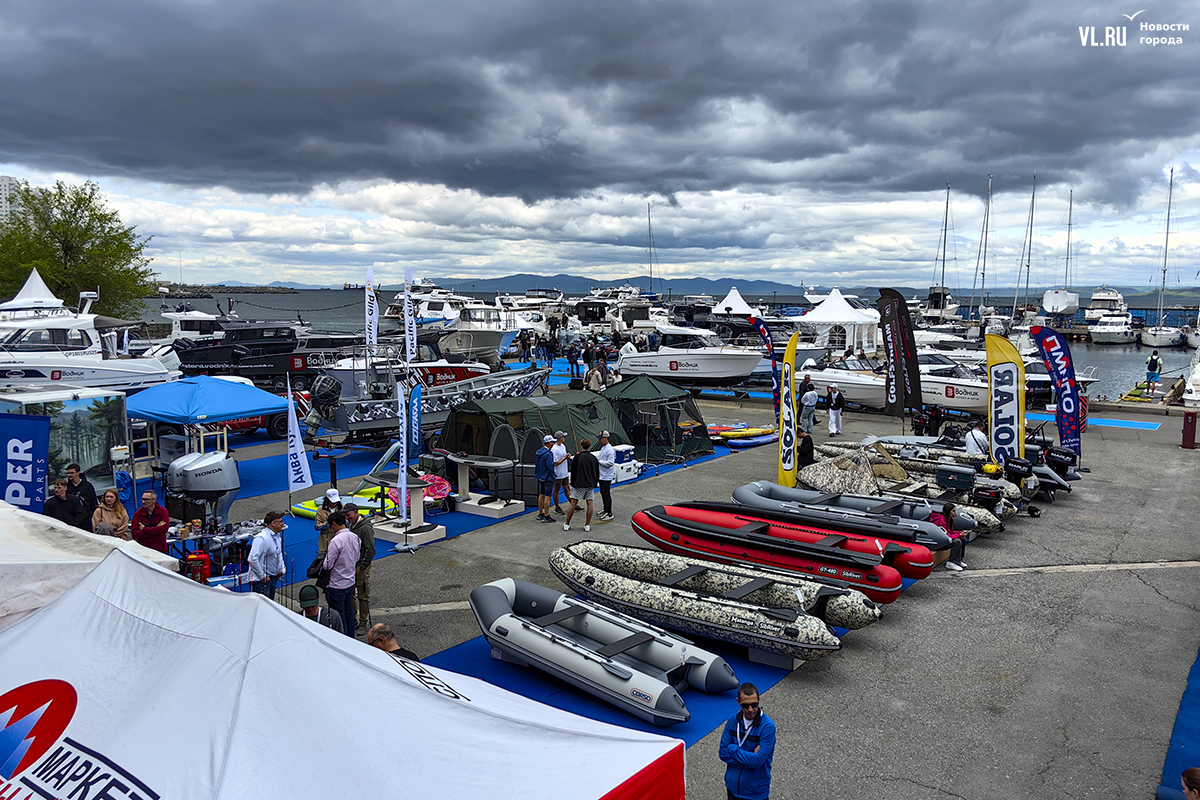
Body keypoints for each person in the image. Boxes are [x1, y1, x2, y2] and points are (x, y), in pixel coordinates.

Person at [719, 683, 776, 800]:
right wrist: (750, 761)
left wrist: (732, 748)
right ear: (738, 701)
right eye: (745, 706)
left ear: (759, 700)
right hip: (732, 789)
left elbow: (757, 761)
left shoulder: (767, 727)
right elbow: (723, 754)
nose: (750, 709)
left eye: (754, 704)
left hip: (755, 794)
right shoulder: (732, 721)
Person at [321, 511, 360, 637]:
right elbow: (357, 557)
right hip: (350, 581)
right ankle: (351, 636)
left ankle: (343, 638)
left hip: (337, 584)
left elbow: (327, 564)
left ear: (334, 524)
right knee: (349, 612)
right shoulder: (354, 537)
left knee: (338, 614)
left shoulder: (336, 541)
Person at [345, 503, 375, 634]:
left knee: (362, 594)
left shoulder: (365, 529)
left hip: (360, 566)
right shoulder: (351, 525)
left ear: (356, 512)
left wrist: (363, 567)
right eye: (345, 516)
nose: (347, 518)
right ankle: (353, 619)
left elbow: (370, 550)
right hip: (352, 564)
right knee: (350, 593)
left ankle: (363, 621)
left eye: (349, 515)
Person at [249, 511, 287, 599]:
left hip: (273, 578)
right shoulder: (261, 538)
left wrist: (282, 569)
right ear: (273, 523)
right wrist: (263, 576)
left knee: (271, 605)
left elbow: (278, 554)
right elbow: (252, 558)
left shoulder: (277, 537)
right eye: (280, 521)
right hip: (261, 582)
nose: (283, 524)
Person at [564, 438, 599, 532]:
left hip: (578, 483)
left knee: (573, 503)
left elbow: (573, 471)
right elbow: (596, 471)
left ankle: (567, 523)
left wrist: (572, 483)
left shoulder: (577, 457)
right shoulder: (593, 458)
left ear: (581, 445)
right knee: (590, 503)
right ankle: (587, 524)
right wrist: (594, 482)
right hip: (590, 484)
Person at [930, 502, 967, 571]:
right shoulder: (941, 521)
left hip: (944, 540)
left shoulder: (948, 519)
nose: (955, 513)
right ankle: (951, 562)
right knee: (957, 541)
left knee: (962, 539)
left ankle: (958, 560)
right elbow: (945, 536)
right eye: (953, 511)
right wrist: (959, 535)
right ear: (948, 512)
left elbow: (949, 531)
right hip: (939, 543)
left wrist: (960, 533)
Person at [65, 463, 98, 529]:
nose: (69, 475)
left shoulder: (87, 486)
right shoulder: (67, 487)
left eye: (72, 473)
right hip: (73, 518)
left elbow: (93, 502)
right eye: (68, 473)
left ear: (78, 473)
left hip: (86, 518)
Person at [534, 434, 557, 523]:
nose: (553, 443)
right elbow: (550, 466)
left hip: (540, 476)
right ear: (549, 443)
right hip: (548, 477)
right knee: (548, 496)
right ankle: (546, 515)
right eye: (552, 442)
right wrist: (553, 475)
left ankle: (541, 513)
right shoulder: (548, 454)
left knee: (541, 494)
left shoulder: (539, 452)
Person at [595, 430, 617, 521]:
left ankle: (609, 512)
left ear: (606, 438)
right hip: (602, 474)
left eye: (601, 439)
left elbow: (611, 463)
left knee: (606, 493)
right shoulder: (603, 448)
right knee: (603, 493)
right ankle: (605, 509)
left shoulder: (610, 449)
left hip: (606, 475)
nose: (600, 441)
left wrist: (600, 462)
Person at [315, 488, 343, 554]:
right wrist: (329, 524)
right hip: (326, 540)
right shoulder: (321, 509)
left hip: (340, 537)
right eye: (332, 501)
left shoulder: (342, 507)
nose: (334, 503)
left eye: (336, 501)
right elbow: (317, 526)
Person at [551, 431, 571, 514]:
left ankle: (572, 504)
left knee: (567, 488)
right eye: (563, 437)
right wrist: (565, 458)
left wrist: (567, 456)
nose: (564, 438)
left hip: (564, 472)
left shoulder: (563, 446)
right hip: (558, 474)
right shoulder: (554, 449)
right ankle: (557, 507)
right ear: (560, 438)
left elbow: (563, 456)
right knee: (557, 489)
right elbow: (555, 463)